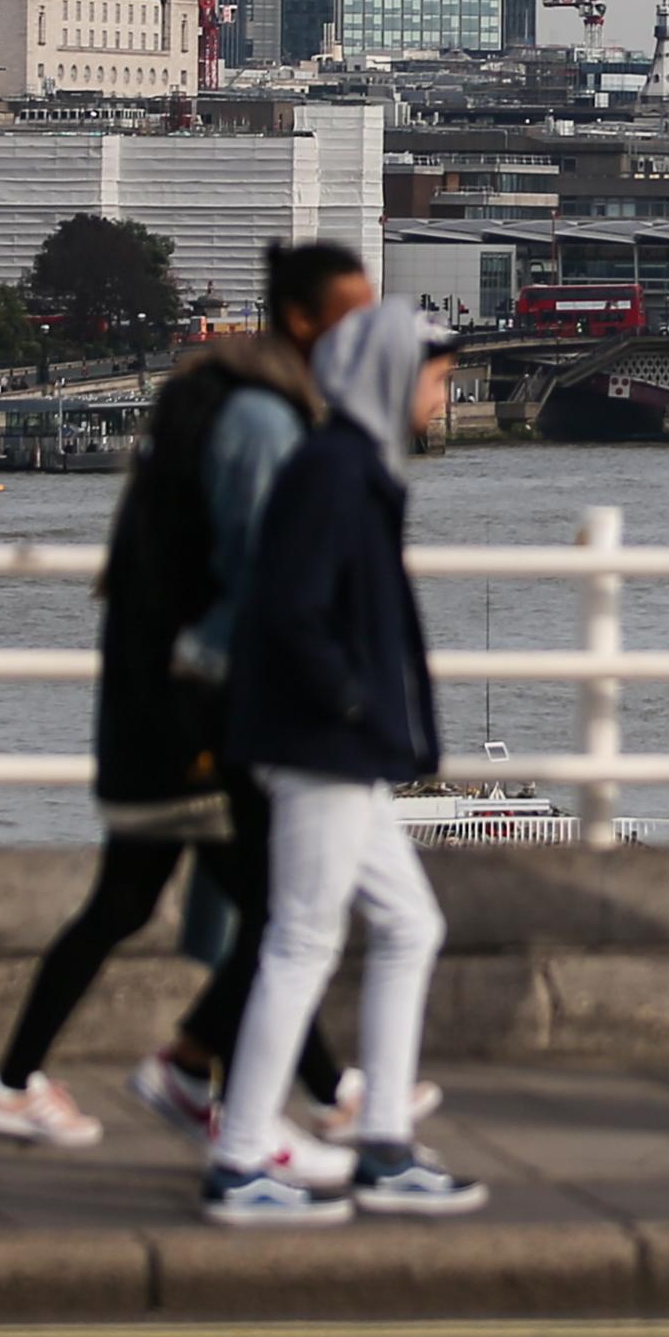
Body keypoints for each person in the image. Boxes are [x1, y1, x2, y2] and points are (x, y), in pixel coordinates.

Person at [0, 242, 381, 1152]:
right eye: (354, 316)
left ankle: (272, 1082)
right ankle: (256, 1083)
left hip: (162, 690)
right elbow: (265, 574)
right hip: (196, 701)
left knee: (140, 901)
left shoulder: (223, 395)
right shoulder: (266, 421)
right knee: (279, 914)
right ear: (306, 322)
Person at [201, 302, 484, 1226]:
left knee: (409, 923)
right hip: (319, 742)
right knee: (303, 940)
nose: (446, 395)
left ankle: (386, 1143)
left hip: (335, 743)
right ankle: (242, 1155)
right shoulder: (338, 472)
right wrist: (356, 700)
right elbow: (291, 612)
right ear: (394, 378)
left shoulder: (348, 464)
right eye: (437, 379)